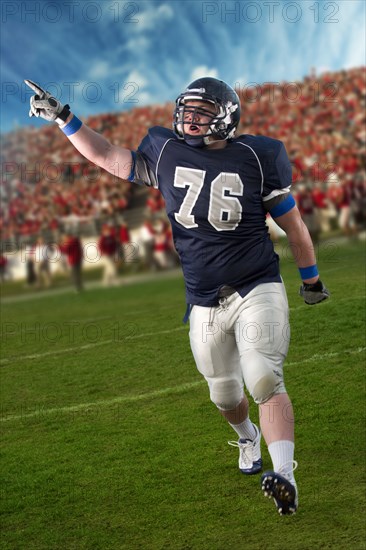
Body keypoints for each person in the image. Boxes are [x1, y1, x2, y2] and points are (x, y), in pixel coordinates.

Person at [25, 77, 330, 516]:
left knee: (264, 377)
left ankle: (285, 475)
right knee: (224, 395)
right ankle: (248, 438)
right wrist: (64, 118)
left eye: (202, 112)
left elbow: (295, 227)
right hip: (202, 297)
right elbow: (108, 156)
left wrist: (311, 279)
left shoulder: (259, 157)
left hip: (256, 283)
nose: (191, 118)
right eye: (187, 110)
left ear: (226, 116)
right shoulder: (165, 149)